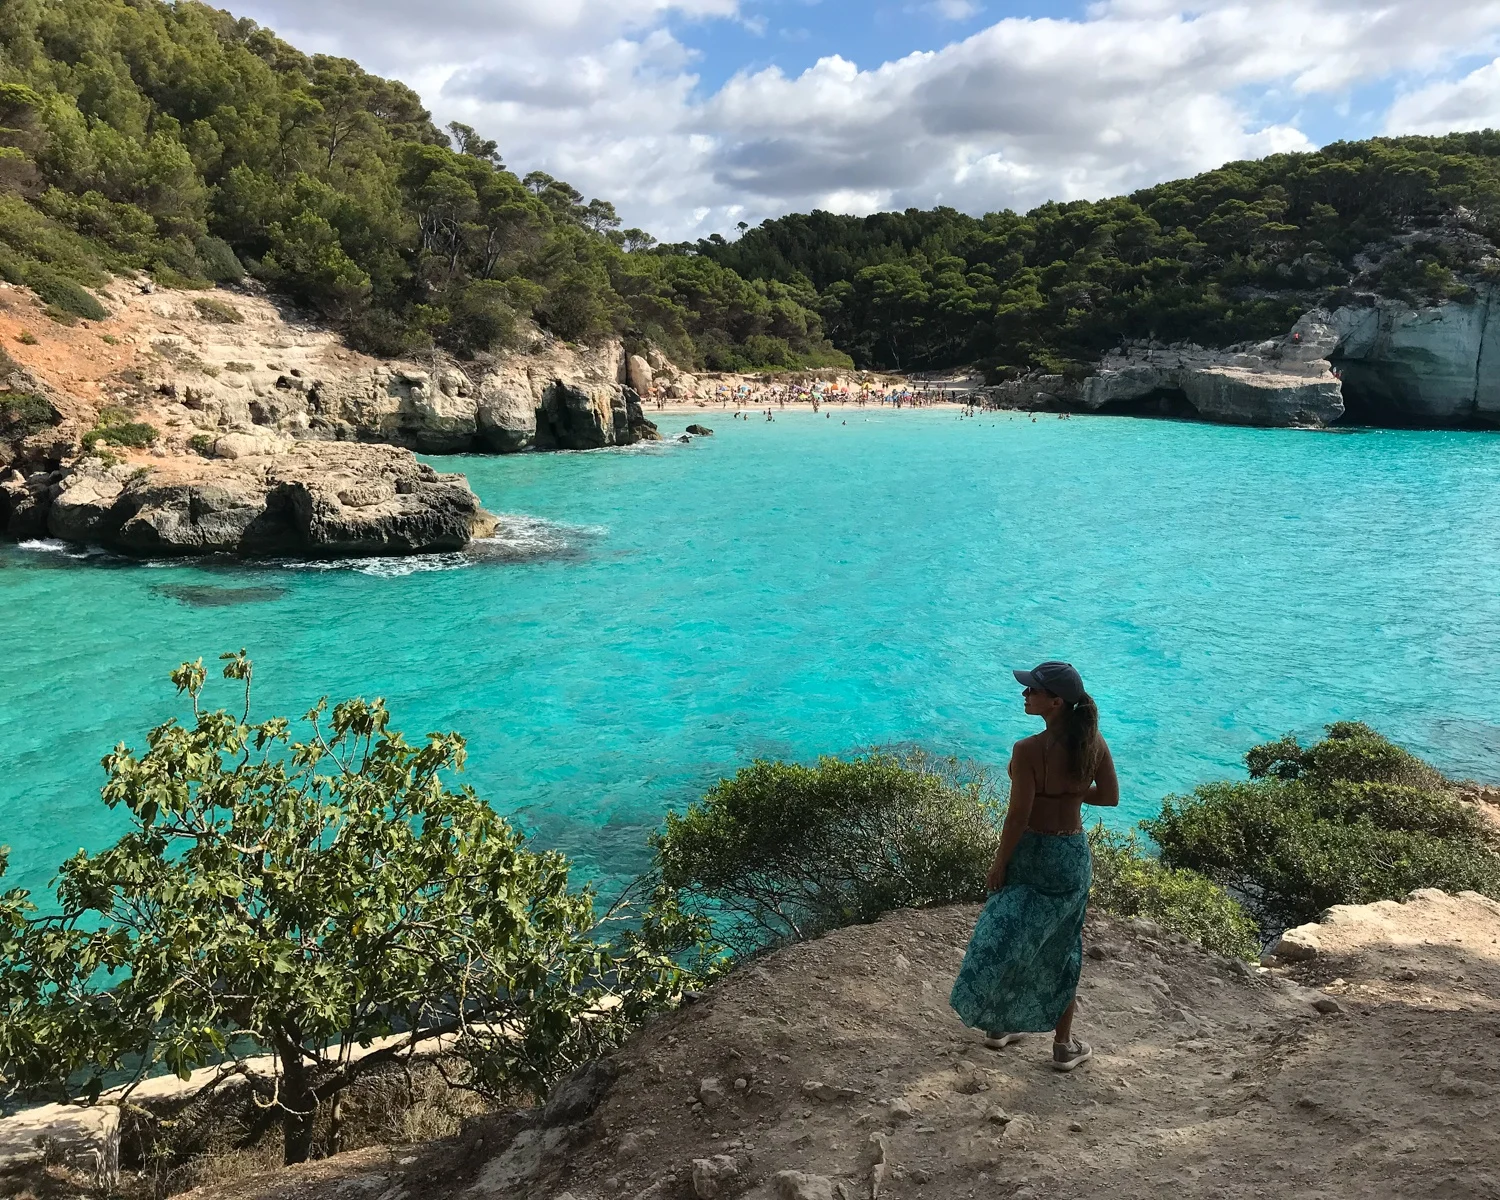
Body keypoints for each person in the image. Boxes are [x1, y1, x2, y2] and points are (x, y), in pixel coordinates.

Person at [950, 661, 1119, 1072]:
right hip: (1069, 859)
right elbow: (1110, 796)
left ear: (1055, 702)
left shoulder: (1027, 750)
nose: (1025, 695)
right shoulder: (1093, 744)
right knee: (1062, 947)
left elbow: (1016, 817)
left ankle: (997, 1025)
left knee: (1009, 934)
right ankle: (1063, 1046)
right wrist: (1072, 796)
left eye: (1032, 690)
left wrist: (998, 864)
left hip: (1030, 853)